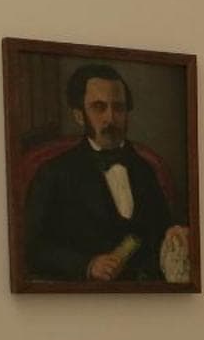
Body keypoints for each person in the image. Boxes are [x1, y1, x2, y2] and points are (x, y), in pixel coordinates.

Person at [22, 63, 188, 282]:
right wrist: (87, 265)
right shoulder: (53, 173)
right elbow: (32, 248)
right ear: (79, 115)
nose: (110, 118)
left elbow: (159, 230)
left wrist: (174, 236)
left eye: (118, 107)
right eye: (99, 107)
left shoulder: (145, 169)